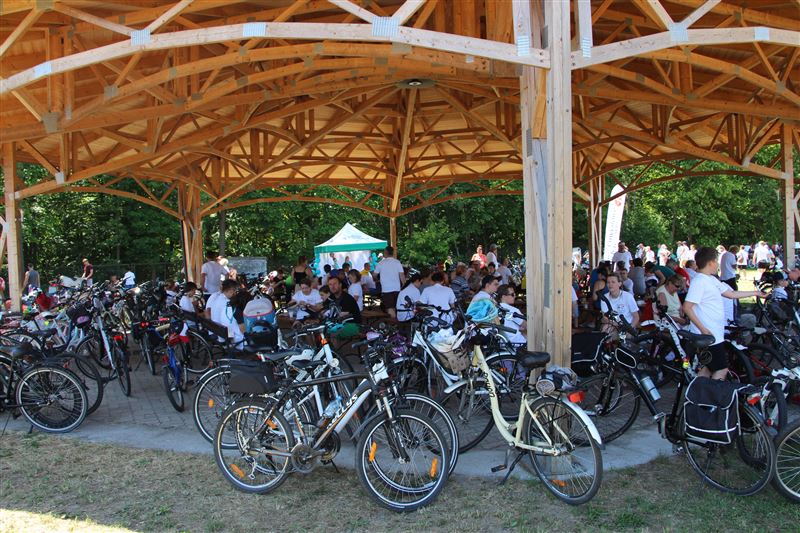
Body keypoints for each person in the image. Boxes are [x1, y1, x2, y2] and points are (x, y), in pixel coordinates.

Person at [683, 247, 766, 380]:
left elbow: (731, 294)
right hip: (708, 335)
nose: (718, 264)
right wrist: (703, 329)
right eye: (716, 261)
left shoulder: (711, 279)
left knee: (708, 368)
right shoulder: (699, 281)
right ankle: (712, 393)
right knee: (721, 369)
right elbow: (687, 307)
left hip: (715, 334)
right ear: (710, 262)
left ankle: (696, 392)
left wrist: (756, 292)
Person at [209, 279, 245, 346]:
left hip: (217, 330)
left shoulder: (217, 298)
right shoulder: (227, 303)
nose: (235, 293)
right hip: (224, 334)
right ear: (231, 290)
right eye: (235, 291)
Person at [373, 246, 405, 319]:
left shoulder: (380, 263)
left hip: (386, 289)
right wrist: (404, 286)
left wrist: (377, 280)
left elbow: (374, 275)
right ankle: (396, 322)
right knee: (396, 307)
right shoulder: (397, 262)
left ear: (385, 252)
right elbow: (402, 275)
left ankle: (393, 323)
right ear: (393, 253)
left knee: (390, 308)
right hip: (397, 289)